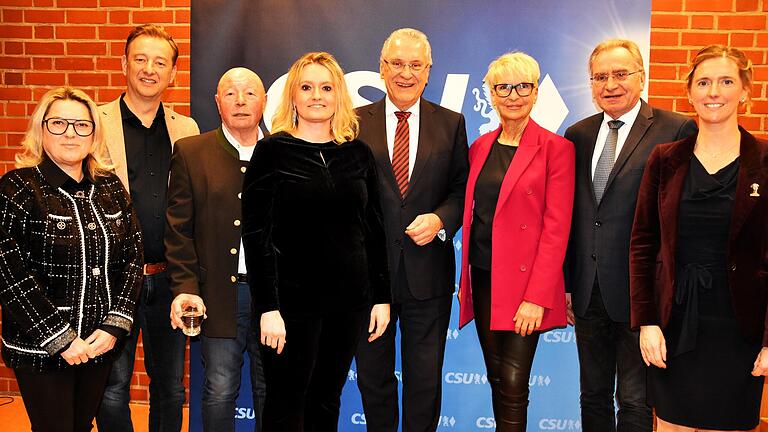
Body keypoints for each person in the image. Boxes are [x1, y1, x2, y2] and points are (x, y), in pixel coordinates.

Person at [241, 51, 390, 431]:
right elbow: (256, 234)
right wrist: (267, 307)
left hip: (349, 303)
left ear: (339, 95)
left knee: (327, 399)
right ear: (293, 95)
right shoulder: (271, 151)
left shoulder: (358, 154)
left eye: (326, 87)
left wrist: (381, 296)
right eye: (306, 87)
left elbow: (373, 229)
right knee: (286, 403)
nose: (316, 95)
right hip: (290, 306)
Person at [630, 45, 768, 432]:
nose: (714, 92)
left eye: (726, 82)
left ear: (745, 91)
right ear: (689, 92)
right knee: (672, 426)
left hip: (740, 330)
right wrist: (648, 322)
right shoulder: (665, 158)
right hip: (674, 325)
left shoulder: (765, 161)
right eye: (704, 82)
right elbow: (643, 244)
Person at [564, 39, 697, 432]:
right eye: (600, 76)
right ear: (590, 84)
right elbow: (575, 216)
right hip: (588, 292)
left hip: (642, 293)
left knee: (636, 400)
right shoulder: (577, 134)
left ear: (641, 76)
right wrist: (569, 284)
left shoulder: (675, 129)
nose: (610, 84)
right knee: (593, 395)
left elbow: (681, 219)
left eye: (620, 74)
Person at [0, 87, 143, 432]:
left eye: (82, 125)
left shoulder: (110, 188)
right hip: (42, 349)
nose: (70, 133)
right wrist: (60, 338)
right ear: (41, 129)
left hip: (98, 344)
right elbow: (9, 274)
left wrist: (114, 325)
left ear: (94, 134)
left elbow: (133, 258)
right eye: (59, 123)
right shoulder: (17, 189)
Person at [354, 28, 469, 432]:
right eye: (397, 64)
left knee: (424, 381)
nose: (406, 73)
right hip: (369, 280)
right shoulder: (352, 122)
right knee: (374, 379)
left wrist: (441, 220)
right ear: (382, 68)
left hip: (428, 275)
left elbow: (460, 189)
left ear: (429, 70)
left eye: (415, 65)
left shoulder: (452, 123)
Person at [456, 52, 574, 431]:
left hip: (526, 285)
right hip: (485, 276)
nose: (513, 95)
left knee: (513, 380)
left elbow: (557, 228)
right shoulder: (481, 146)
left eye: (523, 85)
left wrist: (537, 297)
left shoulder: (556, 148)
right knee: (496, 376)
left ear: (536, 92)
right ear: (491, 93)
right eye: (503, 87)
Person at [96, 24, 200, 432]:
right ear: (124, 64)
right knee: (113, 386)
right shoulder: (95, 122)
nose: (149, 69)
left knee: (171, 388)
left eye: (160, 62)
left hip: (169, 280)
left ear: (173, 73)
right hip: (112, 280)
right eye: (140, 59)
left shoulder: (186, 129)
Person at [165, 67, 267, 432]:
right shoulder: (192, 152)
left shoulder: (283, 151)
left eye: (250, 93)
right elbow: (178, 230)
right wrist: (186, 288)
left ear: (264, 100)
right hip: (220, 296)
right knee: (220, 389)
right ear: (217, 102)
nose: (241, 101)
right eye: (230, 94)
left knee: (272, 389)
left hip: (273, 298)